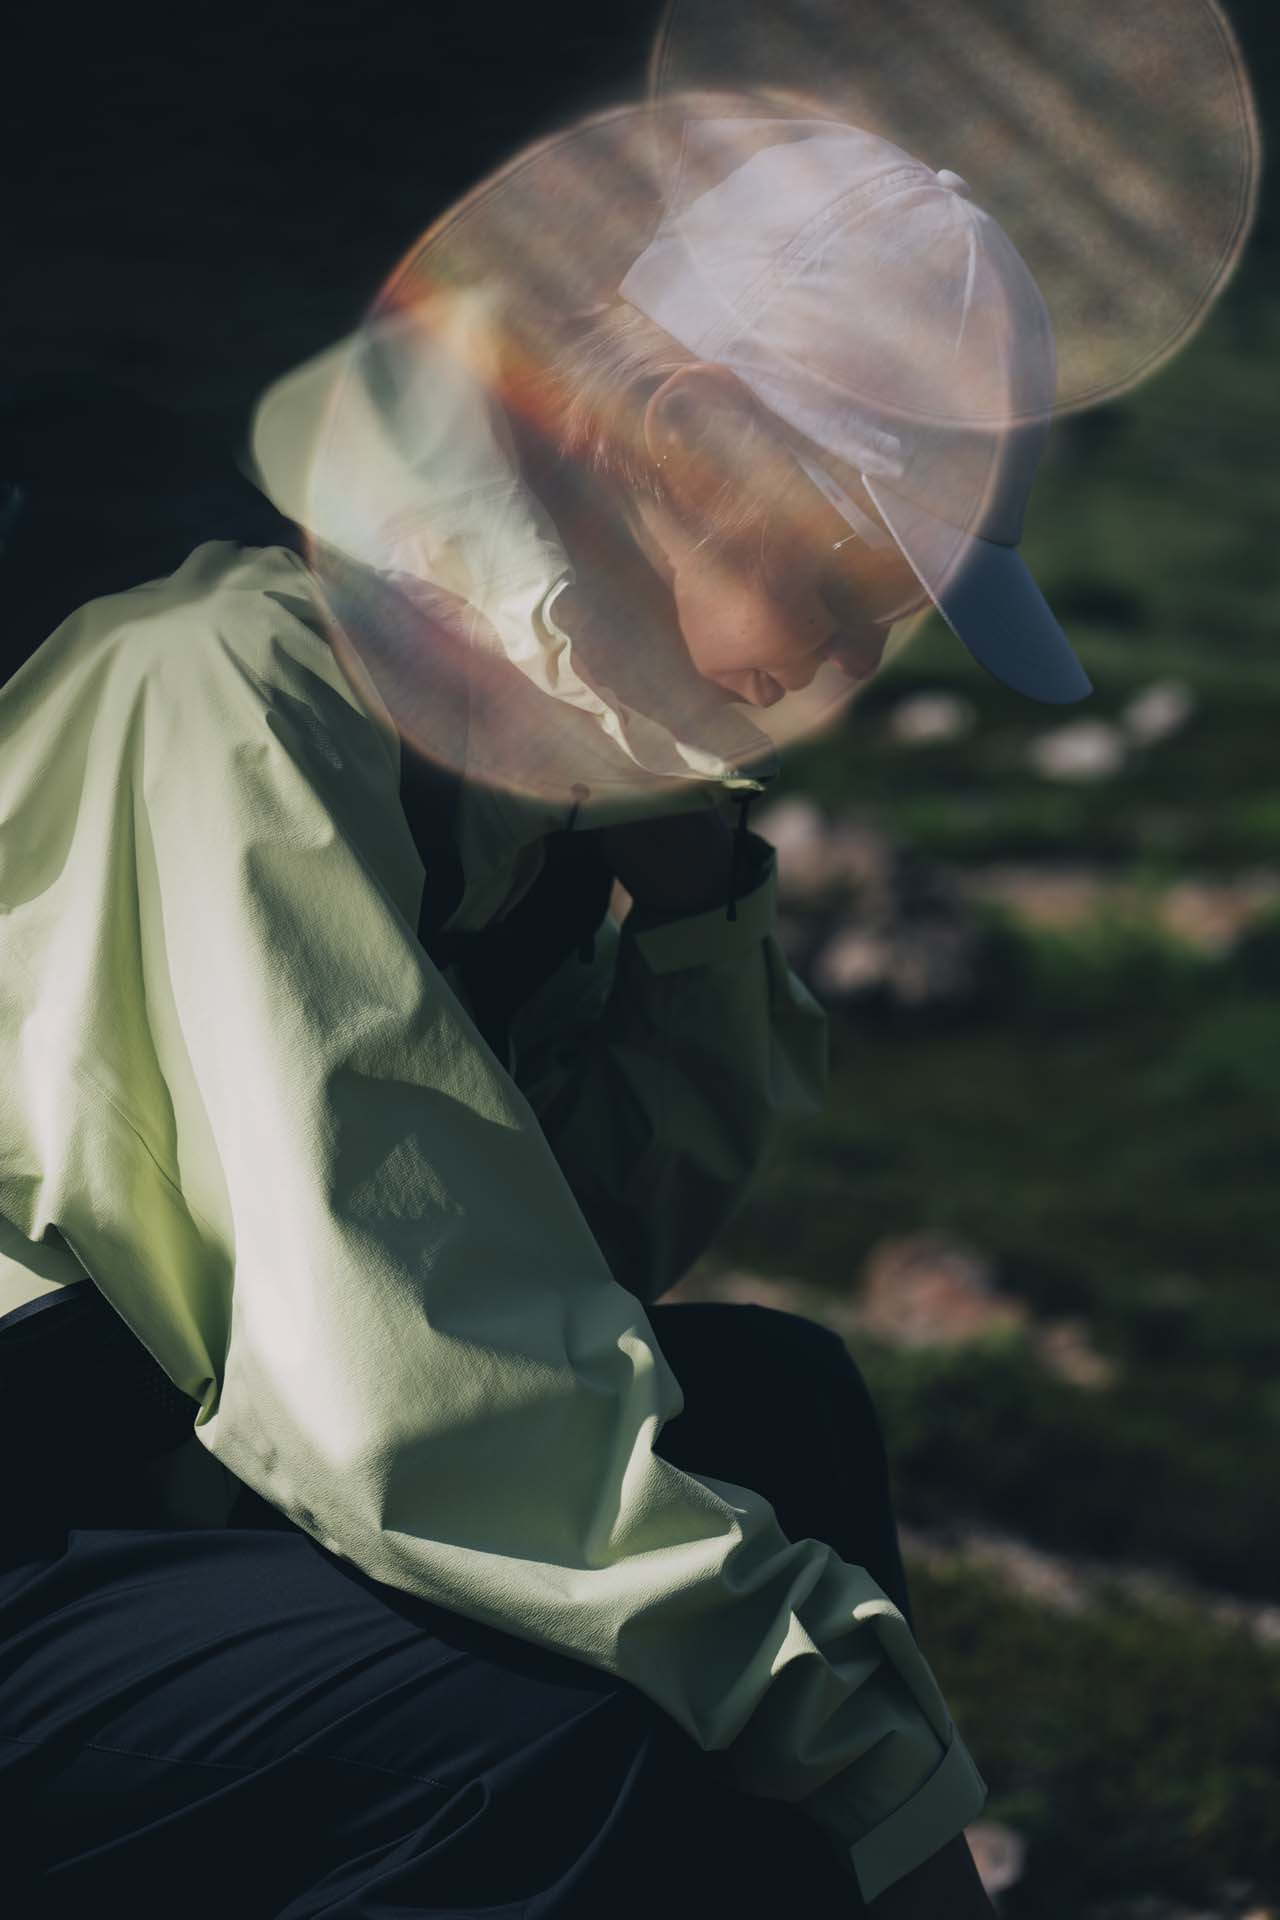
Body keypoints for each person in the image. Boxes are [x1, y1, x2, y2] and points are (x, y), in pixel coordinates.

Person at [0, 103, 1089, 1916]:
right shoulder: (235, 704)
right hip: (32, 1522)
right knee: (554, 1748)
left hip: (151, 1483)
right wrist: (869, 1766)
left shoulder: (527, 775)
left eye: (895, 615)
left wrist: (694, 911)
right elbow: (410, 1389)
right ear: (683, 433)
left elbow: (582, 1262)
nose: (844, 664)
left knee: (781, 1413)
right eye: (847, 575)